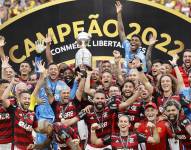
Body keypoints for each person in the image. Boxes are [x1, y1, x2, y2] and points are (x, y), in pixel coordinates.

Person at [90, 114, 159, 149]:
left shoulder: (136, 135)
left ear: (129, 125)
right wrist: (93, 131)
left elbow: (155, 141)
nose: (123, 123)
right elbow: (96, 142)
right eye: (121, 121)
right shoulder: (112, 137)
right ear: (118, 124)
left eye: (125, 122)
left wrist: (154, 128)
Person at [116, 1, 147, 73]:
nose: (133, 41)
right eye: (132, 40)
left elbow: (143, 73)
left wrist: (136, 66)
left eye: (136, 40)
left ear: (140, 44)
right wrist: (119, 13)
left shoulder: (141, 56)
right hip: (125, 80)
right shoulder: (127, 46)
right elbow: (121, 30)